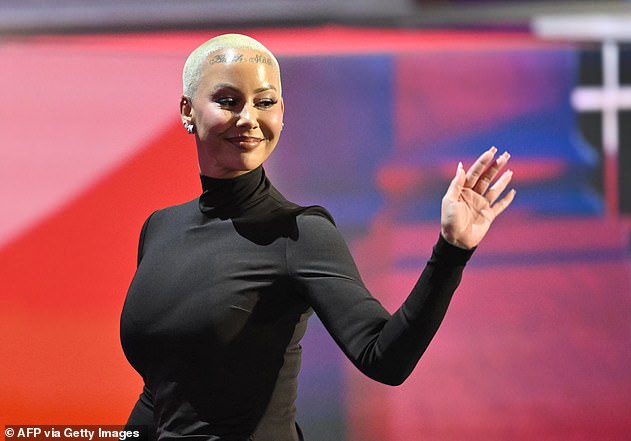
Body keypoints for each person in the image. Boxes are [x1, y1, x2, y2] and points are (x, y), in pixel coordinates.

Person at [119, 33, 516, 441]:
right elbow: (162, 392)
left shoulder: (299, 233)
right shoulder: (160, 229)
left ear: (282, 112)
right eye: (228, 100)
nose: (249, 117)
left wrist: (451, 251)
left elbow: (384, 358)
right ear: (187, 110)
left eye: (265, 101)